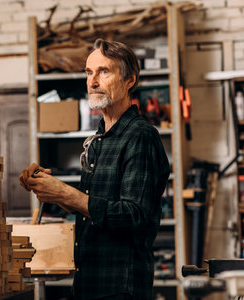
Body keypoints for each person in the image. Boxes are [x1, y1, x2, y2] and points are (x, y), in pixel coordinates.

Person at [19, 39, 170, 300]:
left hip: (120, 287)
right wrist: (50, 190)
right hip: (88, 283)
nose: (93, 81)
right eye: (89, 72)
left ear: (129, 81)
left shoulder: (140, 137)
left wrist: (66, 193)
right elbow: (93, 206)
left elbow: (132, 215)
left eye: (104, 71)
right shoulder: (100, 138)